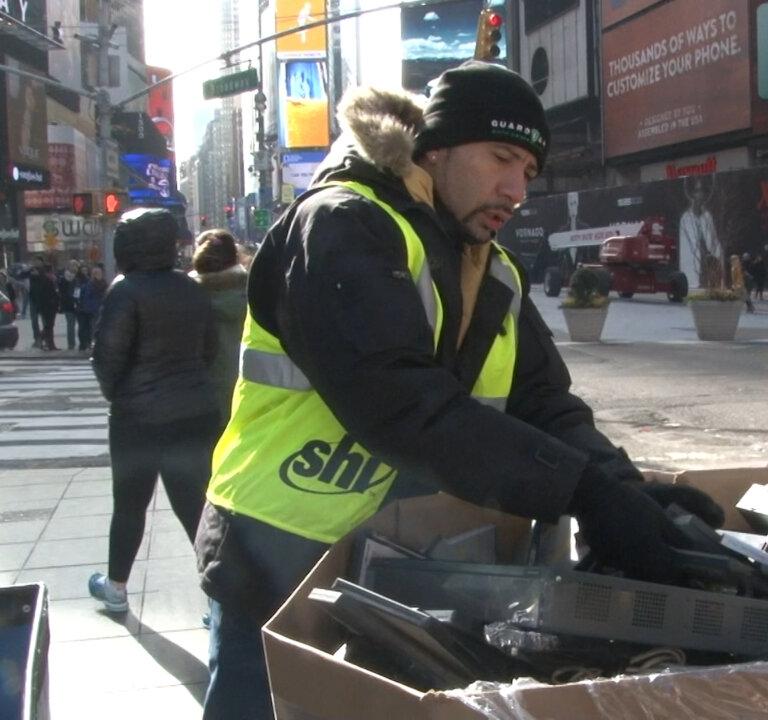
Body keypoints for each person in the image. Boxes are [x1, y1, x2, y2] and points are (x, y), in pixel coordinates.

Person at [194, 61, 723, 720]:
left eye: (529, 172)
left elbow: (543, 402)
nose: (516, 189)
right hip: (275, 552)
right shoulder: (342, 225)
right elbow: (402, 405)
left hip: (394, 562)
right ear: (433, 149)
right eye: (501, 157)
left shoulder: (493, 270)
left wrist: (624, 490)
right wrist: (582, 492)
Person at [88, 209, 220, 614]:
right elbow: (209, 350)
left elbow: (107, 358)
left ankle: (115, 587)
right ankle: (218, 601)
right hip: (194, 413)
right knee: (197, 509)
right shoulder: (191, 288)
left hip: (137, 421)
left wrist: (121, 396)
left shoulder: (124, 291)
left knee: (129, 505)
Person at [188, 229, 248, 430]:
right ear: (235, 258)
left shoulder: (186, 298)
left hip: (199, 396)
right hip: (249, 390)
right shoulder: (256, 292)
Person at [678, 176, 724, 290]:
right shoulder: (686, 219)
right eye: (697, 191)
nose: (700, 194)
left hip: (707, 263)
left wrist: (717, 257)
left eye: (703, 191)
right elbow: (687, 251)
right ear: (692, 193)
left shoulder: (707, 217)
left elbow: (713, 243)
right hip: (695, 268)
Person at [76, 264, 107, 352]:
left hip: (101, 309)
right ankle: (93, 345)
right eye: (96, 273)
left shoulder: (104, 283)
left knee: (98, 328)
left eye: (99, 273)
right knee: (93, 328)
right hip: (93, 310)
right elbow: (87, 298)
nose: (98, 275)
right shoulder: (90, 284)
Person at [35, 263, 60, 351]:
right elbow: (45, 295)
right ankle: (47, 342)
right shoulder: (45, 281)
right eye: (51, 272)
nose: (52, 274)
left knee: (49, 326)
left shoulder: (49, 280)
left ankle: (46, 342)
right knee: (49, 326)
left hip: (50, 307)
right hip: (48, 307)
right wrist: (53, 301)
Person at [57, 260, 80, 350]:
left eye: (75, 266)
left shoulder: (78, 277)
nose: (74, 268)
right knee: (70, 325)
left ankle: (83, 343)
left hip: (78, 304)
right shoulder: (63, 278)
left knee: (81, 325)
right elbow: (62, 292)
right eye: (72, 266)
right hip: (68, 305)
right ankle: (71, 344)